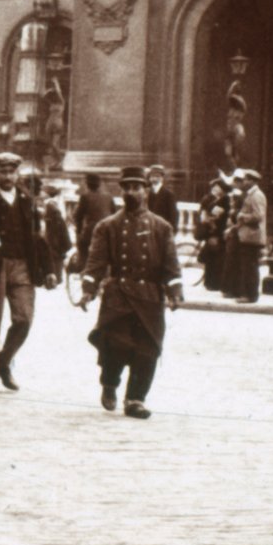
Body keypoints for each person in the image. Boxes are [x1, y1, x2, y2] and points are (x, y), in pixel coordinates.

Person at [81, 165, 184, 419]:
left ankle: (135, 399)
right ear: (121, 190)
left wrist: (175, 291)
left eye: (136, 187)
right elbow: (96, 261)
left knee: (148, 349)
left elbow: (171, 263)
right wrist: (88, 289)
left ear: (146, 190)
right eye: (127, 187)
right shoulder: (108, 226)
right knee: (116, 344)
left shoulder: (162, 228)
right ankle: (110, 381)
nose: (131, 192)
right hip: (119, 294)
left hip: (150, 296)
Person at [0, 152, 57, 395]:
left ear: (17, 173)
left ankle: (4, 361)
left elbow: (38, 237)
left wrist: (49, 269)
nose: (8, 176)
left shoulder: (26, 199)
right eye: (3, 172)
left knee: (24, 319)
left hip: (23, 265)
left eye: (11, 171)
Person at [232, 168, 266, 302]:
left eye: (246, 180)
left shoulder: (257, 195)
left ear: (252, 181)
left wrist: (242, 215)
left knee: (250, 268)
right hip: (248, 236)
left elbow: (258, 216)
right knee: (247, 267)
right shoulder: (251, 194)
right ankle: (247, 294)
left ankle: (250, 295)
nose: (244, 182)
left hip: (252, 236)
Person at [195, 175, 230, 292]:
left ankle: (214, 283)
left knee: (216, 260)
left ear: (222, 188)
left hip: (217, 233)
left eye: (217, 186)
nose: (214, 188)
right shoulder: (214, 199)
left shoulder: (224, 200)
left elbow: (216, 216)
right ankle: (210, 282)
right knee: (211, 259)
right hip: (212, 232)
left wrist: (207, 220)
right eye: (214, 186)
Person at [73, 172, 115, 269]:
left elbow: (78, 217)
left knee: (86, 261)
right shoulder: (108, 196)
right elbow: (114, 215)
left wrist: (78, 233)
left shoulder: (85, 196)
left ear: (87, 184)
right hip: (107, 234)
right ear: (99, 184)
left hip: (90, 234)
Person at [147, 164, 179, 232]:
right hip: (148, 230)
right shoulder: (146, 193)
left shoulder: (169, 195)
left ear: (161, 178)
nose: (154, 178)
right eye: (152, 176)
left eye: (156, 176)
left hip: (162, 230)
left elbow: (173, 216)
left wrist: (172, 232)